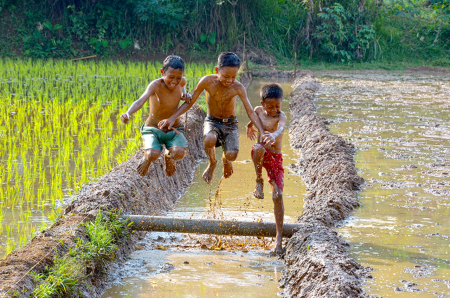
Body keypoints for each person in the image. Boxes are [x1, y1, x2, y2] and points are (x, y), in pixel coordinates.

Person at [159, 52, 264, 184]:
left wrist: (262, 130)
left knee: (232, 155)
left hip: (230, 124)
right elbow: (190, 102)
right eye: (226, 76)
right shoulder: (207, 82)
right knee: (209, 138)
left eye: (234, 77)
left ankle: (226, 159)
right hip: (212, 121)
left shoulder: (238, 87)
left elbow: (251, 112)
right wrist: (173, 118)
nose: (229, 80)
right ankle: (212, 163)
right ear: (216, 70)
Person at [120, 55, 191, 177]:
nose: (175, 81)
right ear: (162, 72)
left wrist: (185, 95)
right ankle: (147, 159)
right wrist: (128, 113)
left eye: (178, 78)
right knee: (152, 155)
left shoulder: (182, 82)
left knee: (179, 153)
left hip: (174, 127)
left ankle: (169, 157)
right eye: (171, 77)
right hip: (153, 128)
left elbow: (183, 89)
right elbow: (140, 101)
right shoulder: (156, 85)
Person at [246, 83, 286, 254]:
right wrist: (249, 126)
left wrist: (273, 135)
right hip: (261, 154)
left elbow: (282, 128)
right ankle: (258, 180)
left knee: (278, 195)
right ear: (262, 105)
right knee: (258, 148)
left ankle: (278, 240)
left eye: (277, 106)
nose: (274, 110)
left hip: (275, 157)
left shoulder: (281, 116)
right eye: (270, 107)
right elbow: (253, 119)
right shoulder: (258, 111)